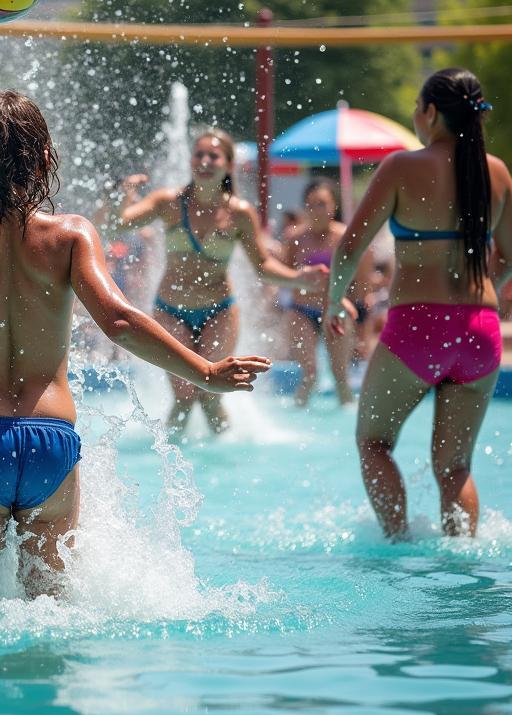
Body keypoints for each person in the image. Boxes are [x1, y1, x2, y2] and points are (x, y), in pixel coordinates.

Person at [0, 91, 271, 598]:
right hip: (51, 443)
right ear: (45, 160)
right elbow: (119, 321)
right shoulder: (71, 236)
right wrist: (205, 373)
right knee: (49, 612)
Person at [328, 68, 512, 538]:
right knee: (454, 467)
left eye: (416, 106)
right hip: (480, 331)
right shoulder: (496, 172)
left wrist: (334, 304)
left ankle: (397, 544)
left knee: (373, 442)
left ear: (431, 112)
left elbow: (349, 249)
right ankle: (464, 554)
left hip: (417, 328)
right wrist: (481, 290)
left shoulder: (401, 167)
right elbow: (508, 257)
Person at [118, 131, 327, 434]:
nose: (205, 161)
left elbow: (263, 266)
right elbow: (118, 225)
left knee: (212, 397)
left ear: (228, 164)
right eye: (199, 154)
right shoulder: (168, 202)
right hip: (169, 310)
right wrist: (121, 200)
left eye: (213, 156)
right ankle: (169, 457)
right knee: (185, 396)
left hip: (220, 311)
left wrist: (298, 278)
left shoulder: (239, 213)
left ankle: (225, 462)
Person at [282, 178, 371, 406]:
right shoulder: (295, 238)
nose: (316, 210)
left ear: (334, 206)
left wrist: (360, 319)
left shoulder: (346, 237)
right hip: (301, 311)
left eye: (322, 203)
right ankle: (295, 420)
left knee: (341, 377)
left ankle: (349, 430)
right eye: (311, 204)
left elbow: (362, 282)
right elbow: (283, 273)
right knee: (309, 375)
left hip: (336, 309)